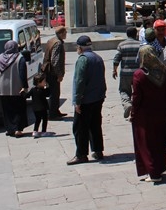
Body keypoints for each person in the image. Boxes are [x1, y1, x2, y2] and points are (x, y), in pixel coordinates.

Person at [131, 46, 166, 183]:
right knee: (159, 142)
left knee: (146, 144)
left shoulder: (139, 74)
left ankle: (153, 172)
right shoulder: (163, 72)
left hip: (144, 115)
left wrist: (133, 112)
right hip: (161, 113)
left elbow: (136, 97)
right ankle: (159, 167)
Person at [67, 36, 107, 166]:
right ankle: (98, 150)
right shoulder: (98, 58)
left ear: (80, 47)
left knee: (80, 128)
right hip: (97, 98)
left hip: (86, 100)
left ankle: (81, 154)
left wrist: (77, 101)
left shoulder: (83, 59)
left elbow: (79, 81)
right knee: (95, 125)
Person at [0, 40, 29, 138]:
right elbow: (22, 74)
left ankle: (10, 129)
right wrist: (25, 87)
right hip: (16, 88)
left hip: (3, 89)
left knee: (7, 110)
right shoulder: (19, 58)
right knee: (18, 109)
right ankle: (18, 129)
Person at [113, 26, 141, 119]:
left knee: (124, 90)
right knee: (138, 92)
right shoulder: (140, 44)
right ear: (136, 34)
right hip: (138, 73)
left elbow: (117, 58)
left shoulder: (122, 44)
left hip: (125, 73)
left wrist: (114, 70)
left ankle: (127, 104)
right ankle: (136, 110)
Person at [43, 26, 67, 119]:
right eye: (65, 33)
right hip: (52, 72)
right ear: (60, 34)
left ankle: (56, 111)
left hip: (49, 71)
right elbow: (55, 61)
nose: (66, 35)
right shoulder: (58, 43)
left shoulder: (52, 40)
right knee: (54, 93)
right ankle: (52, 114)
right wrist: (59, 74)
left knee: (55, 93)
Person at [27, 73, 50, 138]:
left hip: (35, 108)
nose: (45, 82)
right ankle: (43, 131)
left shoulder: (33, 90)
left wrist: (22, 92)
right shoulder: (43, 90)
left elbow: (27, 95)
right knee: (44, 119)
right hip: (43, 107)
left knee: (37, 119)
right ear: (39, 82)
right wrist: (47, 87)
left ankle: (35, 131)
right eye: (44, 81)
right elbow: (48, 94)